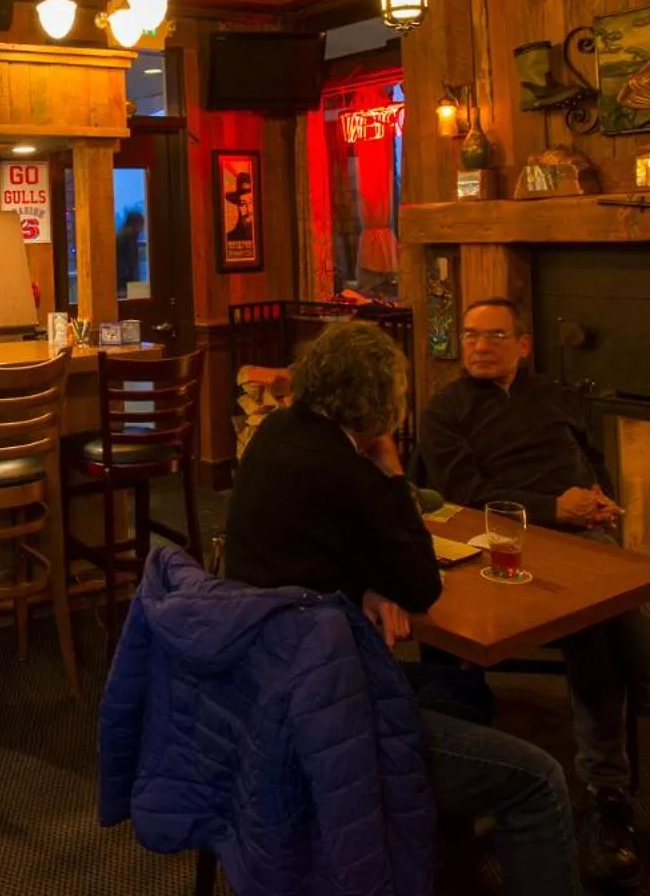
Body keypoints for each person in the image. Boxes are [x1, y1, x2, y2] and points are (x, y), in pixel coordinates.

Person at [418, 298, 650, 890]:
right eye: (470, 335)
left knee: (605, 613)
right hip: (508, 542)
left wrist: (600, 499)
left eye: (494, 335)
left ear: (523, 345)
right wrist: (553, 508)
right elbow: (462, 493)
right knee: (608, 609)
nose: (480, 346)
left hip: (585, 534)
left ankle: (609, 800)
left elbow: (592, 458)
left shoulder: (553, 395)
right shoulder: (445, 409)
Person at [224, 320, 580, 896]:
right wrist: (391, 471)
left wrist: (365, 585)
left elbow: (309, 544)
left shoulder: (276, 435)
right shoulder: (349, 473)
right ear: (380, 404)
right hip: (321, 709)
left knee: (462, 692)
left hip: (260, 675)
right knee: (539, 779)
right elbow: (420, 587)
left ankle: (431, 852)